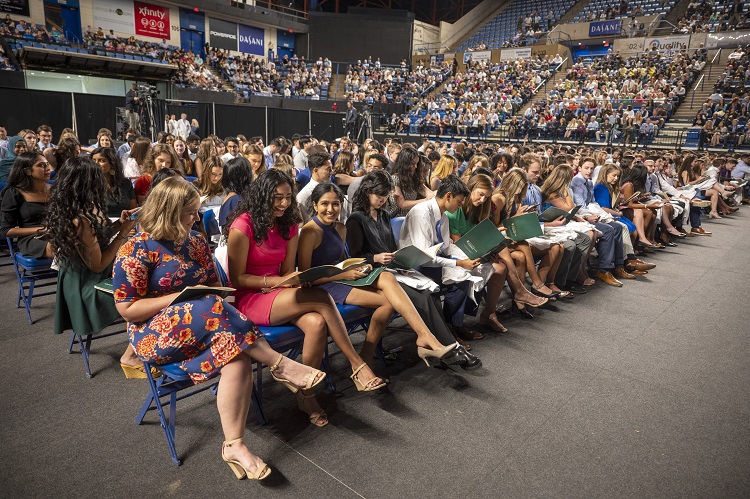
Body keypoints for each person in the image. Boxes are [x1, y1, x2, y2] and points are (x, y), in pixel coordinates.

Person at [114, 176, 326, 480]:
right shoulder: (136, 249)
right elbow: (126, 309)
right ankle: (279, 364)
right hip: (153, 333)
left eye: (196, 212)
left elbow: (217, 285)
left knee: (237, 357)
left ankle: (235, 445)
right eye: (189, 213)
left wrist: (207, 295)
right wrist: (179, 299)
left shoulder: (197, 241)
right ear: (167, 212)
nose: (195, 219)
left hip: (206, 325)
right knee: (209, 309)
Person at [226, 169, 386, 428]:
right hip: (251, 297)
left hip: (279, 292)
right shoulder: (242, 225)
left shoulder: (289, 223)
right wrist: (276, 282)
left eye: (288, 197)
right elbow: (237, 280)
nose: (284, 203)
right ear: (262, 196)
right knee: (322, 298)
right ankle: (357, 364)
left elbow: (288, 270)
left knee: (316, 323)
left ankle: (306, 396)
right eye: (277, 198)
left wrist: (296, 278)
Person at [298, 182, 459, 372]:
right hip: (322, 286)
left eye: (335, 204)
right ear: (315, 205)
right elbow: (304, 278)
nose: (330, 209)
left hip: (341, 277)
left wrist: (359, 266)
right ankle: (373, 356)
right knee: (389, 298)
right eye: (324, 204)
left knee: (388, 285)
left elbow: (342, 262)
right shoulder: (309, 232)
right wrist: (343, 273)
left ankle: (384, 350)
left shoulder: (340, 228)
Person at [345, 171, 480, 367]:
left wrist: (400, 259)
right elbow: (354, 258)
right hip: (371, 273)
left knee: (430, 291)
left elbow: (391, 248)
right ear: (366, 192)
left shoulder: (383, 215)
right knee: (422, 296)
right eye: (378, 196)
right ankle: (449, 347)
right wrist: (375, 258)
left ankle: (442, 346)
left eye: (385, 196)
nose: (382, 201)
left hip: (391, 268)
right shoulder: (355, 219)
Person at [46, 157, 144, 377]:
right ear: (86, 184)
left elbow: (98, 239)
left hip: (81, 276)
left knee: (141, 278)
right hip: (86, 287)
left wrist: (121, 224)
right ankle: (131, 354)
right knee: (141, 293)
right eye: (97, 179)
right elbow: (98, 265)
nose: (102, 182)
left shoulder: (81, 208)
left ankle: (141, 342)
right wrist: (122, 234)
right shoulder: (80, 220)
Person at [0, 151, 54, 258]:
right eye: (41, 165)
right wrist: (42, 229)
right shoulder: (14, 193)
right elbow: (6, 231)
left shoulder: (55, 189)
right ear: (28, 171)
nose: (47, 168)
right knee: (60, 248)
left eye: (47, 164)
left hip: (57, 232)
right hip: (32, 237)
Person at [91, 146, 136, 218]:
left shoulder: (125, 183)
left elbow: (133, 210)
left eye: (101, 160)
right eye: (93, 160)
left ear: (112, 163)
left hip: (123, 224)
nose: (96, 164)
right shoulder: (89, 184)